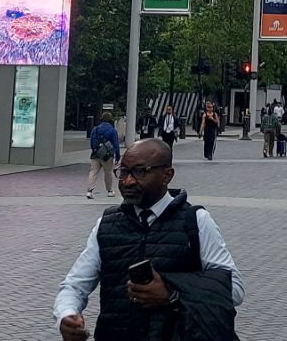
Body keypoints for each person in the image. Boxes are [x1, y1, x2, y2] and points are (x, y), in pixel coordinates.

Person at [54, 139, 244, 341]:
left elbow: (234, 289)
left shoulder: (196, 221)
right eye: (124, 172)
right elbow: (75, 285)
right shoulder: (107, 224)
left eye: (140, 172)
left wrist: (172, 293)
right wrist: (67, 315)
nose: (128, 181)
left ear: (167, 175)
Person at [87, 112, 121, 199]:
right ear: (110, 120)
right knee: (108, 173)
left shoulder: (95, 129)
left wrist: (95, 150)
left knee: (93, 172)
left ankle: (89, 191)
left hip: (96, 154)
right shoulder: (112, 130)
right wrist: (117, 156)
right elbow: (116, 144)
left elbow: (92, 141)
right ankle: (109, 190)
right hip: (107, 155)